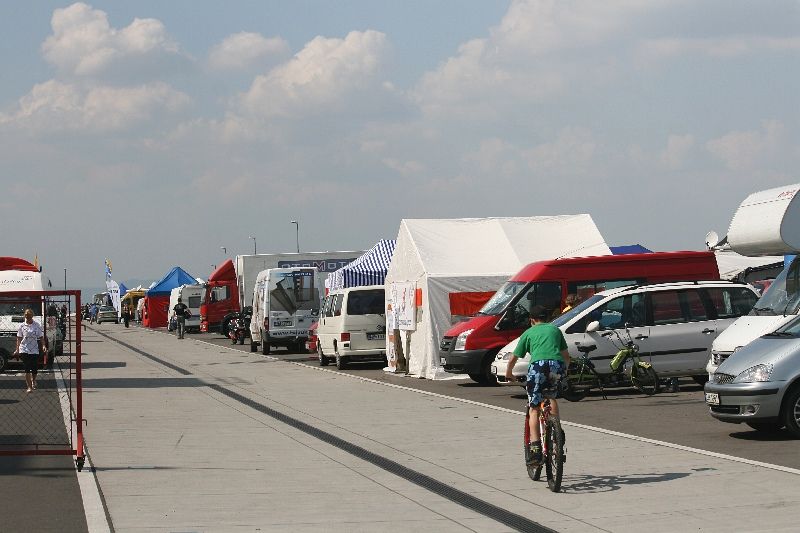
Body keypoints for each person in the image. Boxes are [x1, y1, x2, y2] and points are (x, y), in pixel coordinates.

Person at [504, 305, 570, 465]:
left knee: (534, 408)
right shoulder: (555, 330)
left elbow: (514, 357)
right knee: (551, 395)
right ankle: (557, 431)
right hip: (556, 366)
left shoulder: (529, 332)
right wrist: (564, 371)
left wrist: (509, 373)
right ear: (548, 318)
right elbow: (566, 356)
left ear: (532, 320)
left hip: (538, 367)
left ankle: (535, 451)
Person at [13, 309, 48, 393]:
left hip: (34, 349)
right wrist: (17, 349)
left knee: (34, 368)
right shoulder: (22, 326)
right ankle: (29, 387)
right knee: (27, 367)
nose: (27, 318)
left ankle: (33, 380)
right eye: (26, 317)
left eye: (29, 317)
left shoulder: (36, 325)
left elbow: (41, 337)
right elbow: (19, 338)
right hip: (24, 348)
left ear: (32, 316)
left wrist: (43, 346)